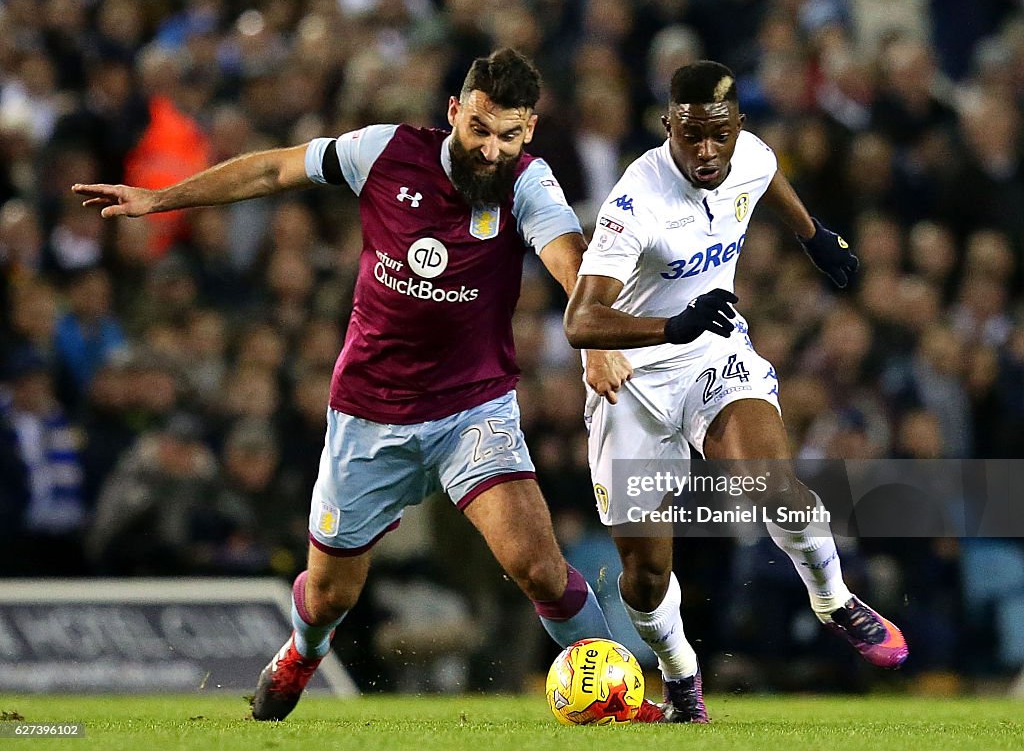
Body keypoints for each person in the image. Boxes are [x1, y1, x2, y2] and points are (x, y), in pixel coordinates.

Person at [73, 49, 664, 722]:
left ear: (527, 131)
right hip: (367, 413)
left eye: (508, 135)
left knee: (539, 566)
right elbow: (274, 167)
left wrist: (589, 334)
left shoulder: (529, 183)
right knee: (329, 595)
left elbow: (570, 260)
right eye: (479, 129)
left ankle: (622, 701)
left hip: (472, 409)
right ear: (454, 113)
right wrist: (161, 198)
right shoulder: (383, 151)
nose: (491, 149)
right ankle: (302, 649)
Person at [563, 61, 909, 723]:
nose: (705, 150)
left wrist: (813, 237)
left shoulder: (747, 155)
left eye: (718, 135)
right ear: (669, 126)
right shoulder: (636, 201)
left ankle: (834, 599)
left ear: (736, 126)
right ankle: (682, 674)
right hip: (633, 382)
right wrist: (672, 322)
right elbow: (581, 321)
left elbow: (766, 175)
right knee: (645, 576)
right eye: (690, 135)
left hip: (713, 355)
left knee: (771, 484)